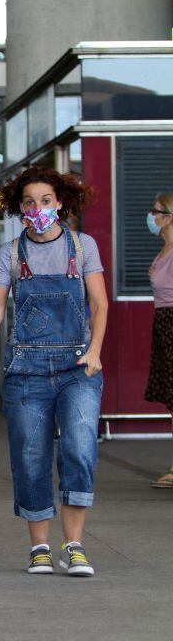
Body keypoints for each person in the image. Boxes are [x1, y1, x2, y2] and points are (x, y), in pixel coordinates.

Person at [0, 167, 107, 577]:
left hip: (79, 366)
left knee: (80, 449)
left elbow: (100, 304)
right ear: (19, 207)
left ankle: (74, 546)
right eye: (29, 202)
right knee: (30, 456)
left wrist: (95, 352)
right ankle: (40, 547)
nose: (38, 208)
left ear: (60, 203)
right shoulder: (10, 253)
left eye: (45, 201)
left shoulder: (83, 246)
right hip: (26, 369)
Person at [145, 193, 173, 488]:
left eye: (156, 211)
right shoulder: (165, 250)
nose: (151, 217)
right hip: (164, 323)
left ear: (169, 216)